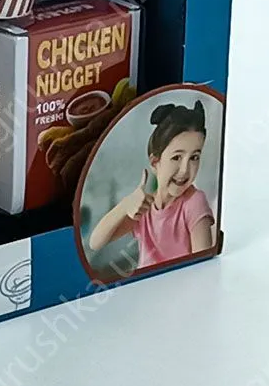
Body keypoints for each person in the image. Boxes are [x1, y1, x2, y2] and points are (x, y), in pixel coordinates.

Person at [87, 100, 214, 269]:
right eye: (176, 157)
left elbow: (203, 267)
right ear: (155, 162)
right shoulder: (144, 208)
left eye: (194, 157)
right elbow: (95, 242)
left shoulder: (194, 202)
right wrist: (126, 205)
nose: (185, 170)